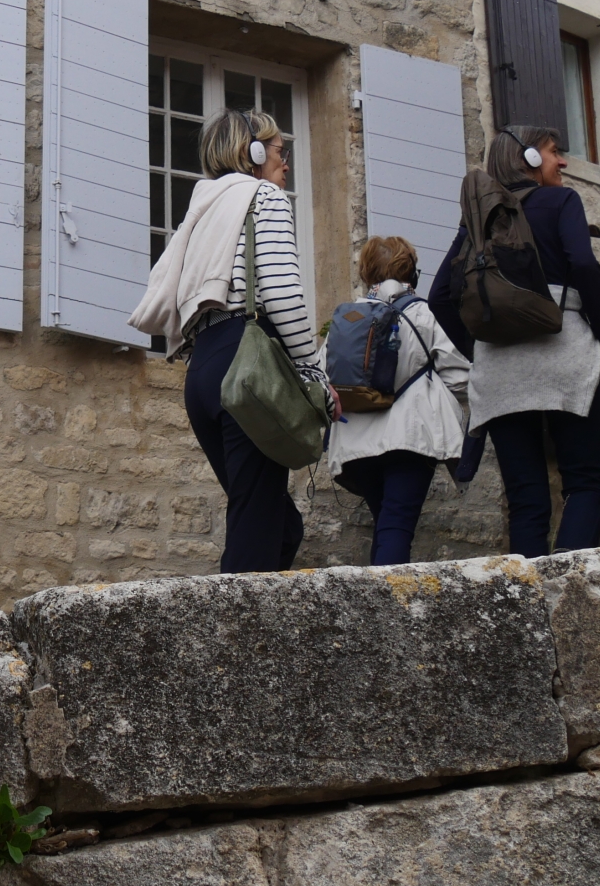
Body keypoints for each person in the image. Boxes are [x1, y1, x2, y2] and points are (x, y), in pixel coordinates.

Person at [130, 110, 329, 573]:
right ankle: (234, 641)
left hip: (203, 371)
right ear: (254, 153)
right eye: (281, 150)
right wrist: (313, 370)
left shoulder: (200, 213)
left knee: (279, 524)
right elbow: (280, 293)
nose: (286, 162)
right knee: (256, 529)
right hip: (247, 364)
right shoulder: (264, 197)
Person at [428, 125, 600, 558]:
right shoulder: (562, 200)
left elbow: (439, 298)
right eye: (554, 152)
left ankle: (530, 602)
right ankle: (566, 585)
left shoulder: (478, 217)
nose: (562, 162)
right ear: (528, 158)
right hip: (565, 352)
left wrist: (480, 347)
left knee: (527, 498)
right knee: (586, 483)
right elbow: (584, 264)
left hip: (500, 370)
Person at [326, 236, 470, 565]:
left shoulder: (347, 317)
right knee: (397, 527)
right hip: (410, 438)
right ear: (410, 269)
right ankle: (388, 608)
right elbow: (459, 375)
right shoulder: (421, 313)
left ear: (366, 272)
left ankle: (375, 607)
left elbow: (323, 378)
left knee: (385, 524)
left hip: (356, 445)